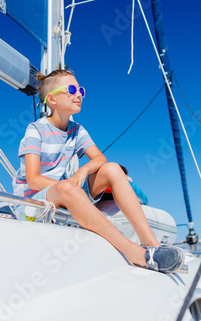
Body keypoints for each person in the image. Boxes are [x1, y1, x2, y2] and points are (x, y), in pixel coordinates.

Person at [13, 69, 186, 274]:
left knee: (112, 169)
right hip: (32, 202)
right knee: (69, 187)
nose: (79, 94)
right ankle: (134, 253)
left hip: (66, 191)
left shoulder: (76, 130)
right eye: (71, 89)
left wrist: (82, 172)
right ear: (52, 99)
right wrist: (68, 185)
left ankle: (151, 243)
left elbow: (100, 158)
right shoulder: (36, 129)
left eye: (81, 90)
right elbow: (32, 180)